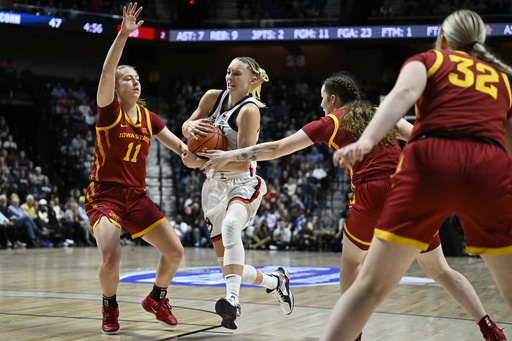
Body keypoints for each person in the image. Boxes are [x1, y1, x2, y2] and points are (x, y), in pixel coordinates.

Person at [199, 70, 507, 341]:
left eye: (322, 99)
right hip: (409, 191)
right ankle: (489, 325)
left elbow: (278, 147)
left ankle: (353, 334)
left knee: (350, 265)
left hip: (372, 191)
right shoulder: (381, 112)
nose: (321, 105)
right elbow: (418, 137)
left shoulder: (329, 122)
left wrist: (228, 156)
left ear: (333, 99)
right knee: (440, 269)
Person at [322, 10, 511, 341]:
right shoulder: (502, 79)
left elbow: (400, 98)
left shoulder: (428, 60)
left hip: (432, 161)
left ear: (442, 40)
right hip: (487, 165)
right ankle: (491, 329)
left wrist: (365, 141)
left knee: (370, 285)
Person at [84, 3, 185, 335]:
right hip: (105, 196)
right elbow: (105, 72)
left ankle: (157, 297)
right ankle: (110, 306)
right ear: (116, 87)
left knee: (175, 251)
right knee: (111, 256)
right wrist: (124, 34)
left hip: (137, 197)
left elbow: (181, 149)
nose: (134, 82)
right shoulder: (108, 111)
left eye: (137, 78)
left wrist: (205, 157)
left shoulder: (148, 118)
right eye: (127, 79)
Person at [181, 56, 294, 330]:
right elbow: (187, 126)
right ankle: (276, 281)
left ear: (252, 80)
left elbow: (244, 159)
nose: (230, 78)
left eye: (237, 74)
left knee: (232, 226)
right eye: (228, 72)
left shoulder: (249, 110)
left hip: (242, 181)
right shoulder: (212, 97)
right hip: (213, 185)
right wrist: (189, 129)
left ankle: (233, 301)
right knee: (229, 267)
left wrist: (200, 161)